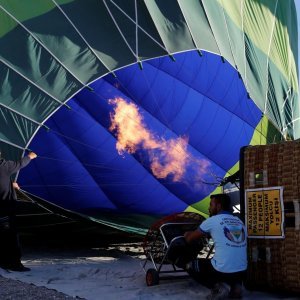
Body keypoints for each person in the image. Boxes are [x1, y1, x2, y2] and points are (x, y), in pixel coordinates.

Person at [184, 193, 247, 299]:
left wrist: (186, 234)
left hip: (223, 271)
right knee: (227, 261)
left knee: (190, 265)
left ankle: (218, 288)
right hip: (242, 271)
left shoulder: (212, 221)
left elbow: (190, 239)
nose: (209, 208)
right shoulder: (239, 221)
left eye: (211, 205)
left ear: (218, 206)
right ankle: (236, 287)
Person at [0, 150, 37, 271]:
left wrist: (11, 184)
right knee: (11, 237)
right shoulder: (4, 165)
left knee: (4, 236)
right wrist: (30, 156)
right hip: (5, 208)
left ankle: (4, 262)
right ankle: (14, 264)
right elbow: (19, 164)